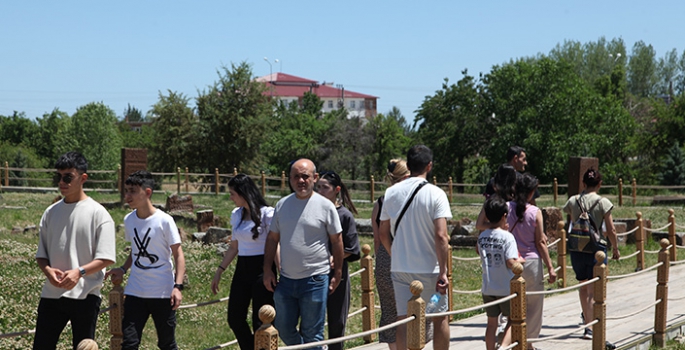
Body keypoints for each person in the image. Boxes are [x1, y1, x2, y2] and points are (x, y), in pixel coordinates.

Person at [33, 151, 117, 349]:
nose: (62, 182)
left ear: (83, 178)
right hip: (51, 294)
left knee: (84, 347)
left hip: (86, 294)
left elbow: (106, 258)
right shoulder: (50, 213)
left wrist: (79, 272)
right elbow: (41, 255)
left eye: (68, 177)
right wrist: (48, 271)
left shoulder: (99, 214)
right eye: (59, 177)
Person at [262, 158, 344, 349]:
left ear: (314, 178)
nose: (301, 181)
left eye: (305, 176)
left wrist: (338, 272)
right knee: (283, 328)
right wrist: (267, 269)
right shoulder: (282, 205)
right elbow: (273, 239)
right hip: (286, 280)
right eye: (296, 176)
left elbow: (337, 240)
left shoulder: (325, 206)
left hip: (315, 279)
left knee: (312, 334)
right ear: (290, 179)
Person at [379, 145, 452, 350]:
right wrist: (444, 272)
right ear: (429, 166)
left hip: (401, 270)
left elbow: (383, 233)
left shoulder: (391, 192)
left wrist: (395, 254)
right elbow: (441, 235)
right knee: (439, 317)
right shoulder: (436, 194)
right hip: (431, 272)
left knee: (404, 318)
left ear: (408, 166)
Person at [105, 170, 186, 350]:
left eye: (133, 191)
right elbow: (136, 252)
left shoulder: (165, 220)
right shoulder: (129, 220)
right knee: (130, 343)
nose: (128, 196)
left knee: (166, 343)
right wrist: (123, 269)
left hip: (162, 292)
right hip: (136, 291)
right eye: (126, 190)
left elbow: (178, 255)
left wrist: (177, 287)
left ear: (147, 192)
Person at [210, 174, 276, 350]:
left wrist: (279, 272)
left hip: (263, 267)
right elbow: (234, 246)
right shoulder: (236, 214)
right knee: (235, 317)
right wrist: (219, 271)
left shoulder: (267, 214)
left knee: (260, 319)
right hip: (243, 268)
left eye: (232, 193)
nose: (230, 197)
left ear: (243, 193)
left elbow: (275, 245)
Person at [563, 167, 620, 340]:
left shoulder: (573, 201)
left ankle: (588, 326)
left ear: (583, 183)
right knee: (597, 288)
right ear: (600, 184)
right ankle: (595, 323)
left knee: (583, 287)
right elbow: (610, 229)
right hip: (597, 249)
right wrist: (615, 248)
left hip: (578, 248)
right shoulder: (603, 203)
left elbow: (571, 220)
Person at [508, 173, 557, 349]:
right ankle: (528, 343)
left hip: (511, 262)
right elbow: (540, 242)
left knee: (513, 304)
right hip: (531, 263)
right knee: (534, 307)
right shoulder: (535, 212)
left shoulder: (506, 208)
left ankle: (512, 340)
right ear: (531, 192)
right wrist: (550, 267)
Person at [317, 170, 361, 350]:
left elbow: (352, 249)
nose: (320, 191)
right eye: (317, 187)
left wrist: (334, 257)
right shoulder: (311, 211)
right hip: (312, 272)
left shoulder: (344, 215)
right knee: (312, 321)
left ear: (336, 190)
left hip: (337, 274)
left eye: (324, 188)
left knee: (336, 321)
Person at [371, 159, 410, 350]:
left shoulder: (380, 202)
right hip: (408, 256)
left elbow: (377, 238)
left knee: (389, 309)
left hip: (385, 258)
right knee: (412, 307)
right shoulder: (412, 199)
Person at [477, 195, 521, 350]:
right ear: (504, 216)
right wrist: (521, 262)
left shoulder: (482, 236)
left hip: (488, 286)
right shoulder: (508, 237)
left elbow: (478, 251)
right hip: (505, 287)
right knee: (512, 319)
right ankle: (503, 347)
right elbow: (511, 263)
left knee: (491, 323)